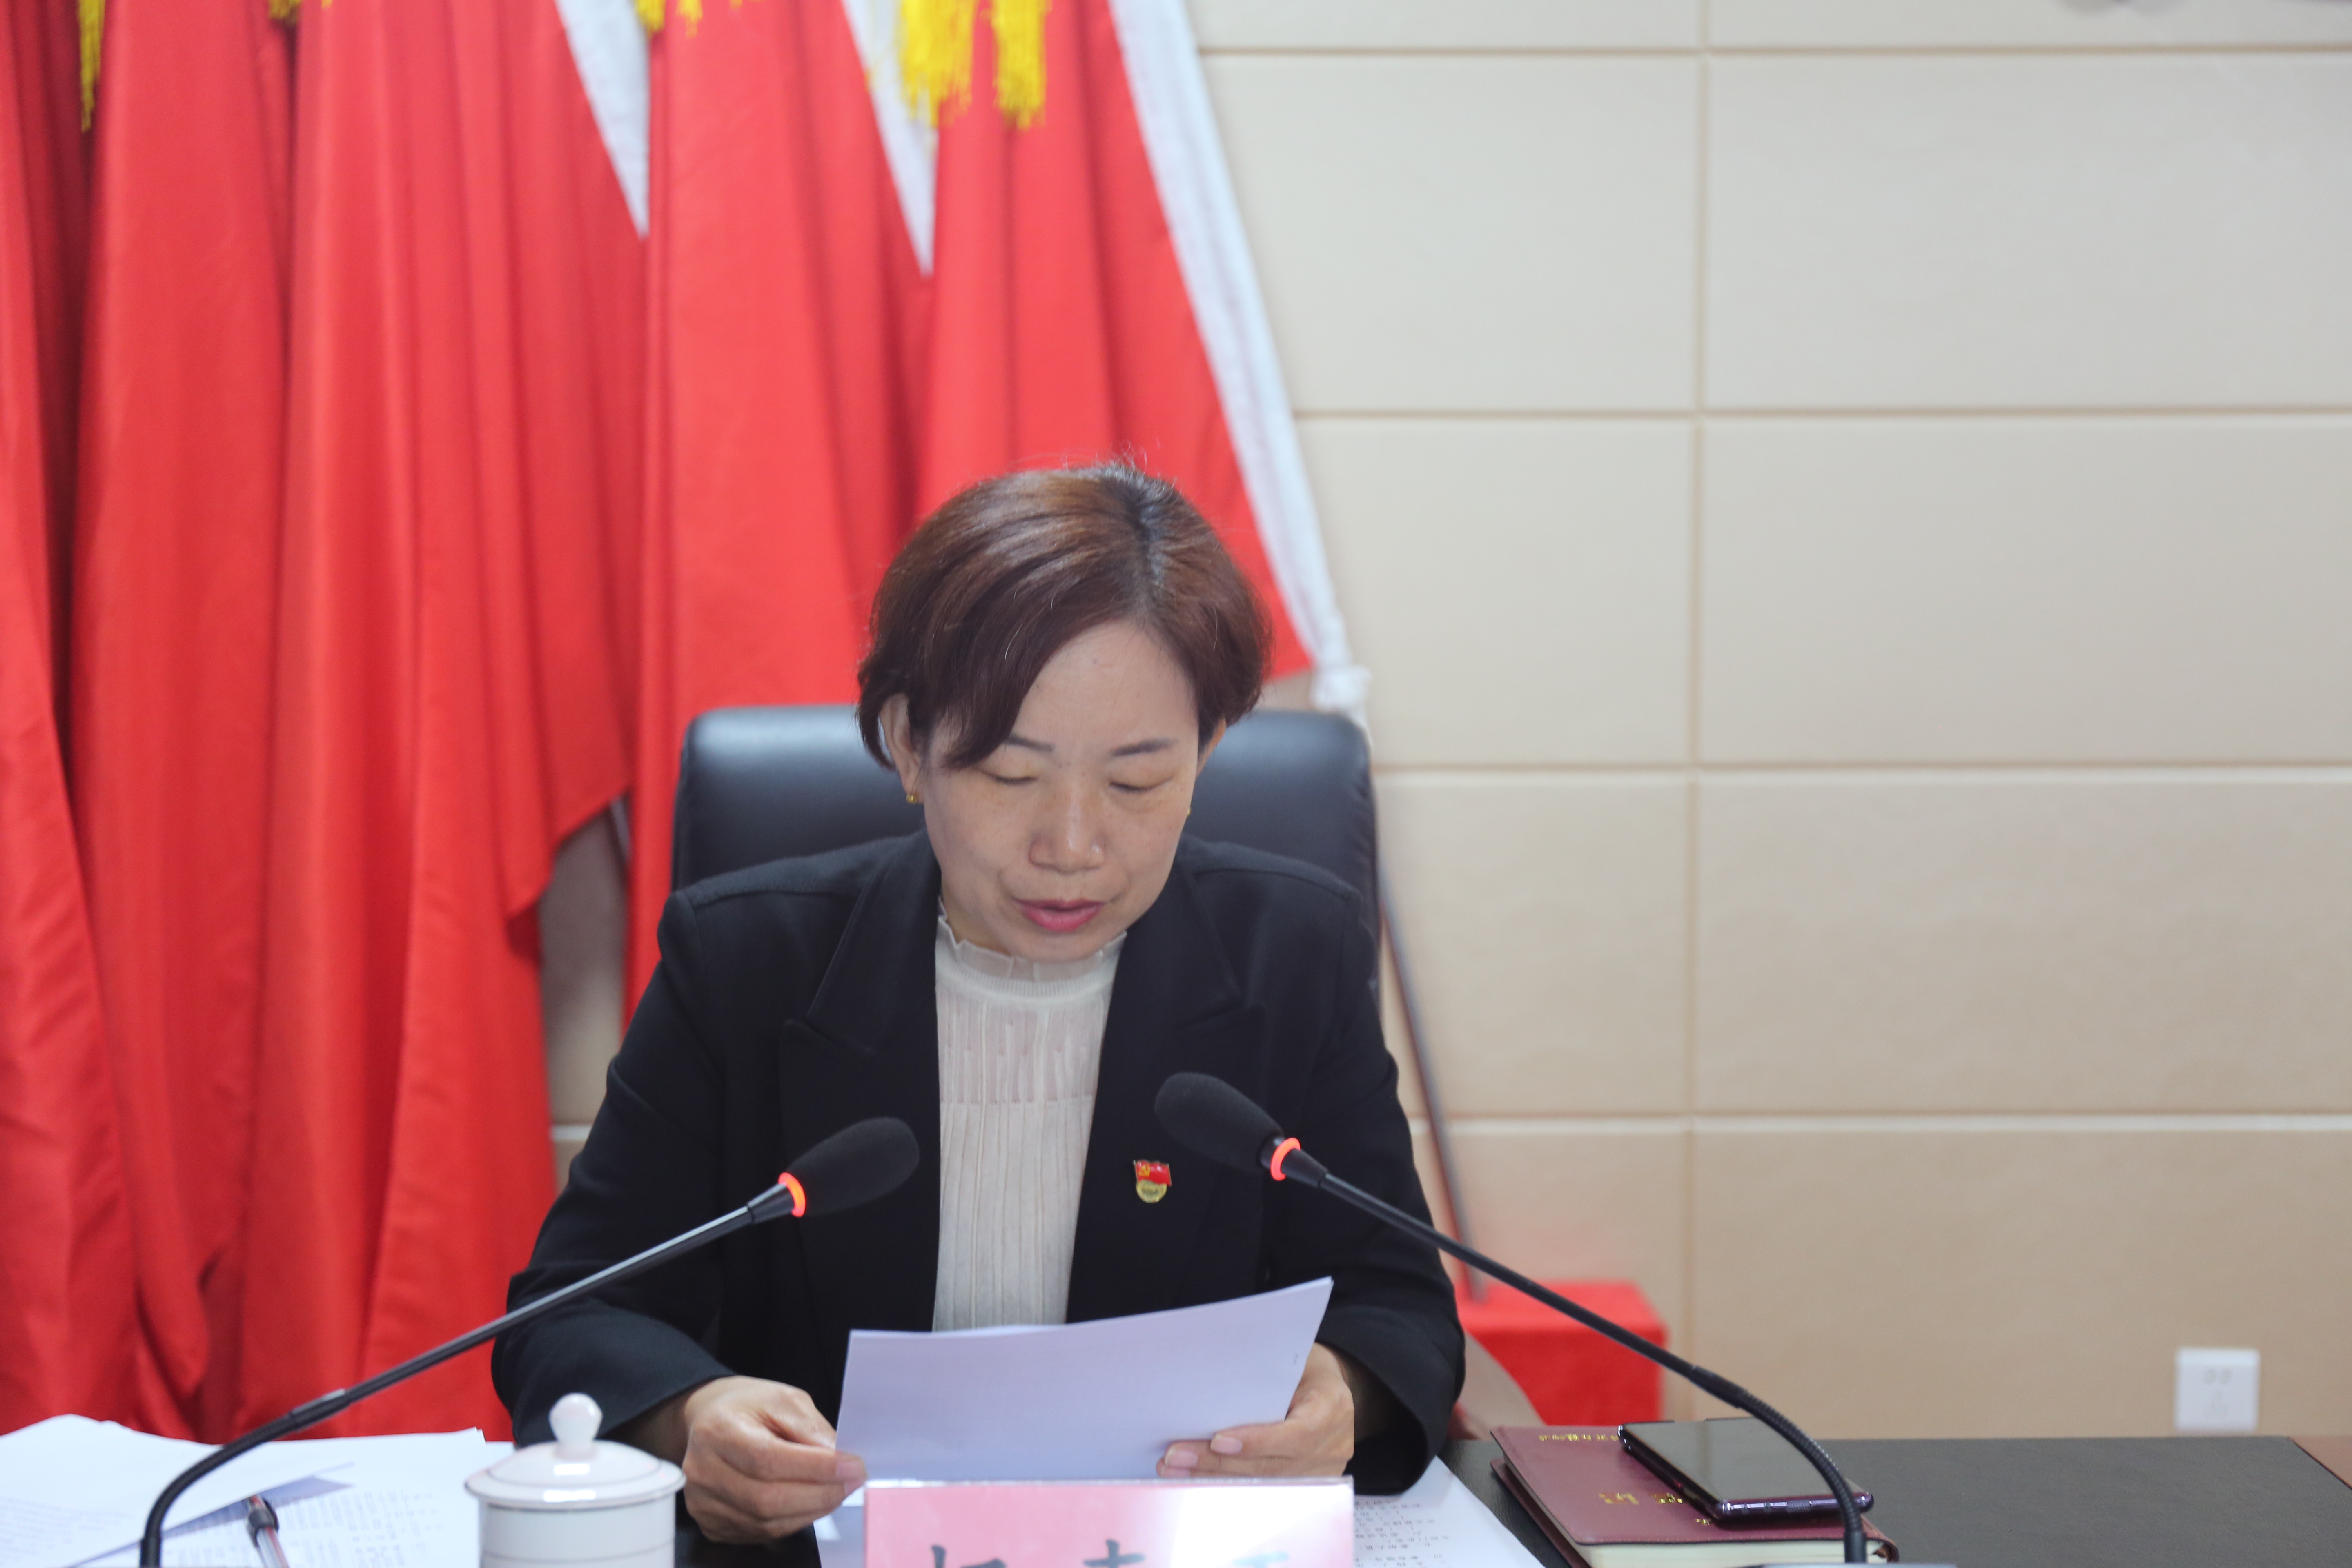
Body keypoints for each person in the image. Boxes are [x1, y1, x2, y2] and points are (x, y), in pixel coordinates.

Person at [492, 463, 1462, 1542]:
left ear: (1208, 753)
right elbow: (573, 1313)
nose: (1073, 845)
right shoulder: (748, 962)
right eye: (1011, 776)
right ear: (909, 744)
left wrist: (1340, 1391)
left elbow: (1398, 1307)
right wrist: (693, 1416)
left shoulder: (1291, 954)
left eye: (1138, 782)